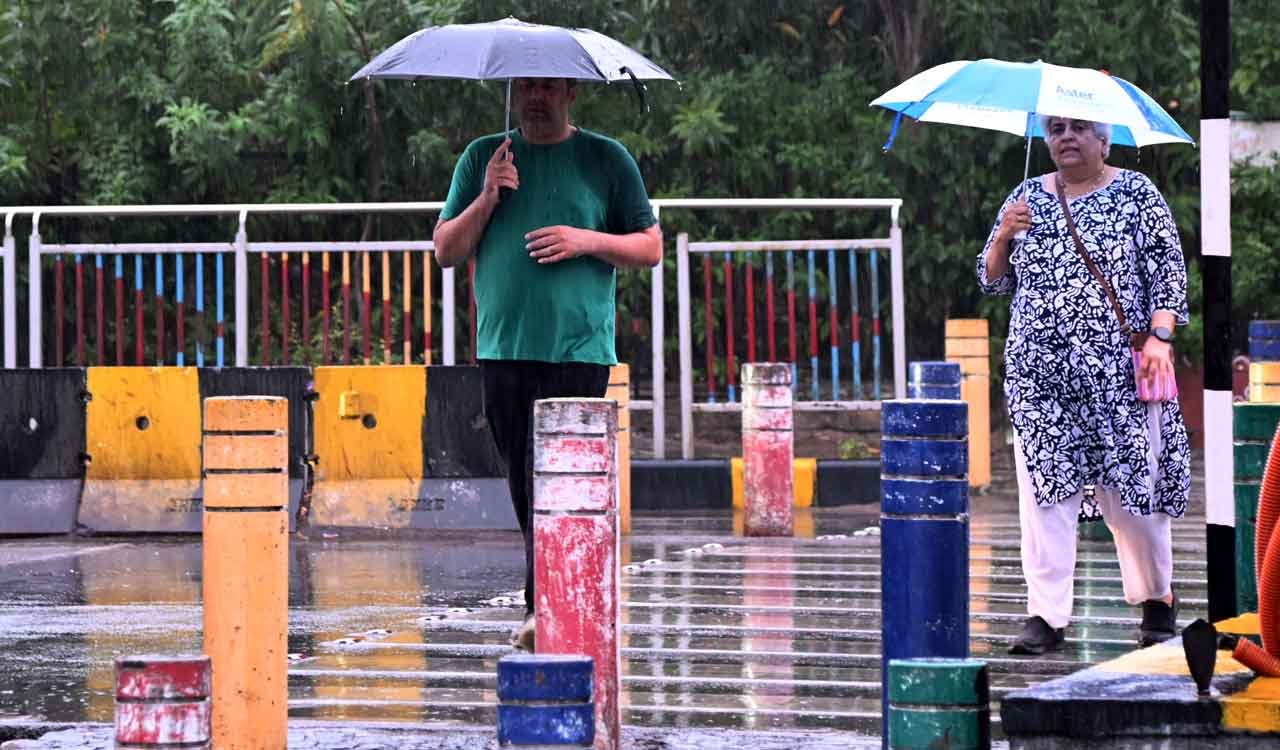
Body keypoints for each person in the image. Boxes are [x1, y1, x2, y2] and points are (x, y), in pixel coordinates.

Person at [433, 77, 662, 652]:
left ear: (571, 95)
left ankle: (545, 606)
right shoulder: (485, 156)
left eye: (548, 88)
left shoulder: (606, 158)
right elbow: (445, 250)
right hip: (504, 349)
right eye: (526, 87)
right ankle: (551, 597)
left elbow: (650, 247)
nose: (535, 97)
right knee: (523, 480)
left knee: (559, 480)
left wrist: (585, 240)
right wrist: (487, 196)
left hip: (579, 351)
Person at [977, 116, 1191, 655]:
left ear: (1103, 139)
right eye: (1055, 129)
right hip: (1039, 377)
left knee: (1131, 492)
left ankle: (1156, 602)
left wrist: (1160, 339)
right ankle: (1045, 617)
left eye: (1078, 128)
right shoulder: (1025, 196)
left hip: (1120, 372)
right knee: (1045, 494)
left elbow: (1168, 271)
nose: (1066, 137)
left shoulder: (1137, 193)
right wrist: (1004, 232)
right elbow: (992, 277)